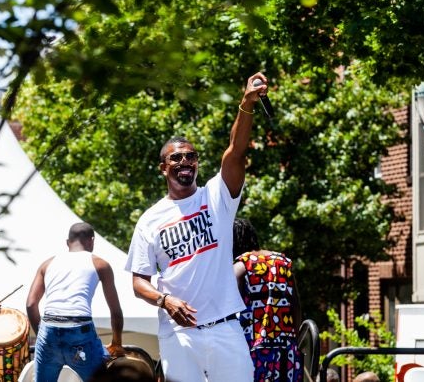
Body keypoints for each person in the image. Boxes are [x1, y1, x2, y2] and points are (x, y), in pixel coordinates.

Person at [125, 71, 270, 382]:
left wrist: (247, 103)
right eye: (176, 158)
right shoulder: (150, 219)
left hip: (226, 328)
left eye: (191, 157)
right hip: (179, 334)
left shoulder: (216, 197)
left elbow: (236, 151)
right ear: (163, 168)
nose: (185, 162)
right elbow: (139, 282)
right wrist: (164, 300)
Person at [26, 222, 125, 382]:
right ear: (92, 240)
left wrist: (43, 337)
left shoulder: (47, 264)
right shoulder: (100, 264)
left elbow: (31, 304)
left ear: (67, 242)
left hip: (48, 329)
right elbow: (116, 312)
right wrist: (117, 343)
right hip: (80, 332)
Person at [233, 218, 303, 382]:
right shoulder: (282, 262)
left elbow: (229, 306)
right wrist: (297, 343)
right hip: (287, 349)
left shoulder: (242, 265)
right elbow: (296, 306)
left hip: (251, 348)